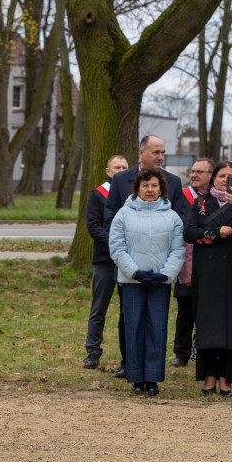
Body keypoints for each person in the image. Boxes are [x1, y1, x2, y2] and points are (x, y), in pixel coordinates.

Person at [103, 135, 188, 378]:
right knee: (129, 320)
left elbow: (180, 224)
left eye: (163, 152)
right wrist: (130, 265)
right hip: (129, 268)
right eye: (155, 152)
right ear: (141, 153)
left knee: (155, 324)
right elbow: (111, 220)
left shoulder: (173, 181)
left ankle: (150, 373)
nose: (160, 157)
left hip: (161, 272)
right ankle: (129, 366)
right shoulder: (120, 180)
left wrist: (166, 271)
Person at [183, 161, 232, 397]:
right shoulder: (201, 203)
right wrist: (216, 234)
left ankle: (226, 379)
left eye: (231, 176)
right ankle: (207, 378)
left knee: (229, 324)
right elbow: (189, 232)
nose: (225, 180)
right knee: (206, 325)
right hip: (206, 272)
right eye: (221, 175)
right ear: (213, 179)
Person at [83, 154, 129, 370]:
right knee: (99, 308)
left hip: (129, 262)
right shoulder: (97, 195)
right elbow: (94, 227)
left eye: (124, 167)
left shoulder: (132, 195)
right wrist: (116, 246)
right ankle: (93, 352)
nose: (121, 170)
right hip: (105, 259)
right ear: (107, 171)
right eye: (117, 167)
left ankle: (127, 355)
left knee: (127, 310)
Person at [170, 158, 213, 367]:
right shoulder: (182, 197)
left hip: (211, 260)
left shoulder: (216, 198)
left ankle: (203, 351)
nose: (194, 175)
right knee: (185, 311)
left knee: (207, 310)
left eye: (200, 172)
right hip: (186, 259)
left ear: (211, 175)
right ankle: (181, 352)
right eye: (192, 171)